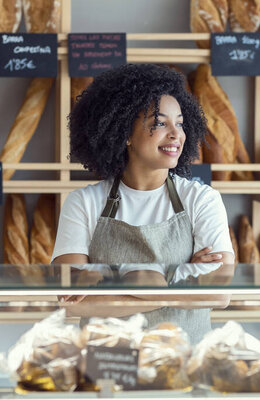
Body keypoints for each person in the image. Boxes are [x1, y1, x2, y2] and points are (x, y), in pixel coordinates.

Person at [51, 64, 235, 343]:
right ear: (124, 132)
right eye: (160, 123)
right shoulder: (83, 203)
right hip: (110, 368)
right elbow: (73, 302)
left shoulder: (201, 200)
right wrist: (180, 277)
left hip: (183, 368)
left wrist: (116, 282)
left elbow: (218, 294)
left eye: (180, 123)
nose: (176, 134)